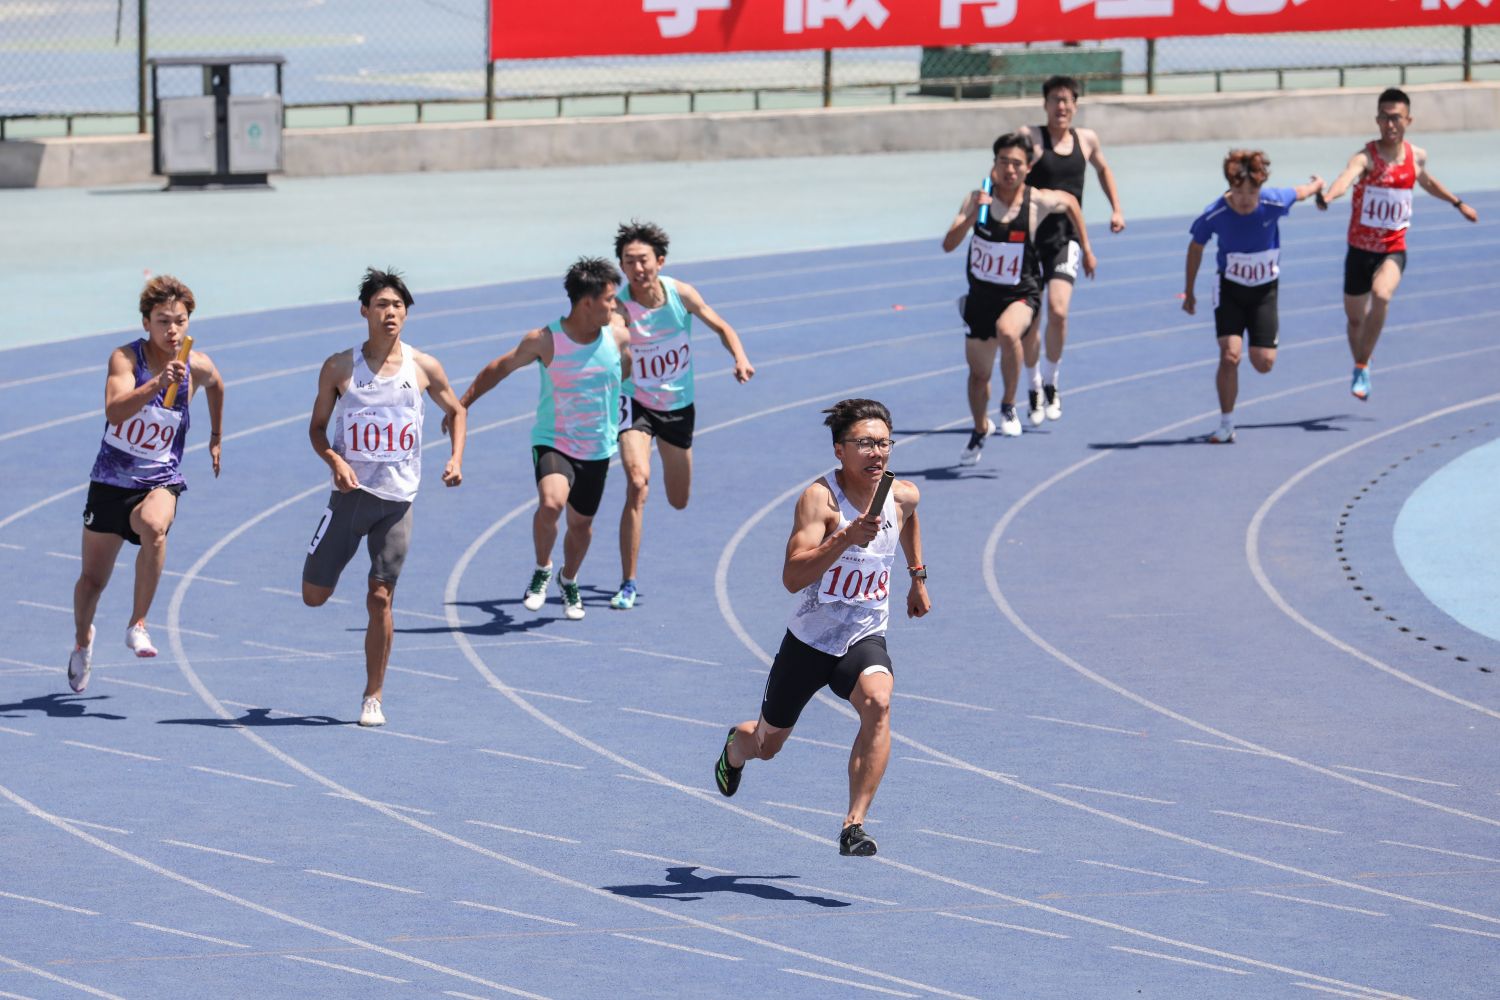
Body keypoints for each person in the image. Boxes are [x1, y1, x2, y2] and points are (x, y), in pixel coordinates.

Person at [713, 398, 930, 857]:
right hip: (809, 642)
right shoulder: (820, 500)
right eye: (865, 443)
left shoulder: (901, 494)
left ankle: (854, 825)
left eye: (884, 443)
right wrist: (844, 537)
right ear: (839, 450)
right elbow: (792, 577)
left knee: (879, 702)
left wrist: (917, 576)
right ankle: (736, 747)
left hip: (863, 635)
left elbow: (909, 519)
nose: (877, 452)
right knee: (767, 745)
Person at [302, 268, 465, 728]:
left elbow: (456, 410)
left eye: (397, 305)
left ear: (406, 313)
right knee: (313, 596)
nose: (390, 312)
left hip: (397, 501)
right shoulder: (339, 367)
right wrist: (335, 461)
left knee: (380, 598)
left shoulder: (424, 367)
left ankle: (372, 696)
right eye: (381, 305)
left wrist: (456, 458)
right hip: (349, 498)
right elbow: (317, 429)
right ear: (364, 311)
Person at [68, 276, 224, 692]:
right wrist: (157, 383)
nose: (172, 330)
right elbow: (115, 412)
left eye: (180, 321)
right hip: (111, 483)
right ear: (146, 323)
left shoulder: (196, 364)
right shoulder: (125, 359)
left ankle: (138, 623)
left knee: (155, 526)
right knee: (91, 583)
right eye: (162, 322)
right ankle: (83, 640)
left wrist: (215, 437)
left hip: (159, 479)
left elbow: (217, 385)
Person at [453, 257, 630, 622]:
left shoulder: (618, 335)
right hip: (554, 441)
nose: (615, 305)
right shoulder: (545, 341)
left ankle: (569, 578)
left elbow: (624, 367)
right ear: (587, 302)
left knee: (580, 526)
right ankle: (542, 568)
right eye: (609, 299)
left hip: (597, 448)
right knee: (551, 504)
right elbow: (499, 368)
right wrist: (462, 404)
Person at [610, 220, 755, 611]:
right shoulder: (619, 307)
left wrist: (739, 357)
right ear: (621, 266)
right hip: (635, 403)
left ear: (659, 261)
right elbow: (613, 336)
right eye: (628, 262)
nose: (636, 268)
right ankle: (628, 582)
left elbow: (721, 326)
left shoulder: (681, 294)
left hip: (676, 407)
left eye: (642, 260)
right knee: (637, 483)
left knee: (678, 499)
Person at [1318, 87, 1479, 401]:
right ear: (1377, 120)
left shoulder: (1416, 156)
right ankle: (1361, 360)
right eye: (1384, 118)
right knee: (1355, 320)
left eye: (1396, 118)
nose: (1390, 124)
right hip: (1360, 251)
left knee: (1382, 294)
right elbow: (1346, 178)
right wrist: (1329, 196)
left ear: (1408, 120)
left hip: (1393, 249)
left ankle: (1362, 365)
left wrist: (1458, 203)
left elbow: (1427, 181)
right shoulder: (1365, 157)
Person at [944, 133, 1095, 465]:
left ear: (1027, 169)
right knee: (979, 376)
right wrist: (971, 217)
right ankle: (980, 428)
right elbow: (948, 244)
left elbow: (1070, 202)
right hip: (981, 297)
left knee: (1008, 331)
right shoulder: (976, 199)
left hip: (1021, 293)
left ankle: (1009, 404)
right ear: (994, 165)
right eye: (1003, 162)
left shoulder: (1036, 201)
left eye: (1016, 164)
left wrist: (1085, 248)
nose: (1009, 170)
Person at [1183, 151, 1324, 444]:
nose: (1245, 199)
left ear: (1261, 188)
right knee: (1230, 356)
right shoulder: (1215, 214)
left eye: (1252, 192)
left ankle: (1258, 344)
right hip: (1230, 289)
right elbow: (1195, 248)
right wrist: (1190, 291)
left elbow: (1300, 192)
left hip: (1264, 292)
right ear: (1229, 187)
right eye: (1238, 192)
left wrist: (1317, 185)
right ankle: (1226, 424)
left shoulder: (1274, 202)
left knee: (1263, 363)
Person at [1017, 75, 1126, 426]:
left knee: (1059, 311)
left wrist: (1116, 209)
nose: (1061, 106)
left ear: (1076, 105)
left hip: (1067, 239)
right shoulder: (1031, 137)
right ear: (1045, 104)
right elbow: (1007, 168)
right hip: (1029, 241)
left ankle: (1051, 380)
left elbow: (1104, 169)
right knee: (1030, 321)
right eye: (1054, 100)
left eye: (1066, 100)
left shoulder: (1087, 139)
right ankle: (1033, 385)